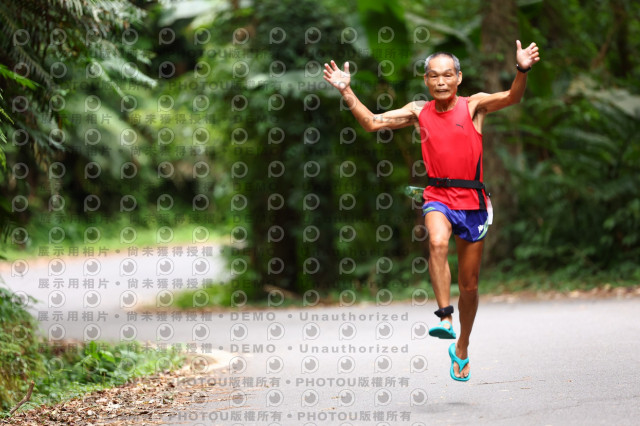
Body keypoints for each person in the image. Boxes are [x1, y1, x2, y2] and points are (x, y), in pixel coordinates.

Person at [324, 40, 540, 381]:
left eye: (447, 75)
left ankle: (462, 346)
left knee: (470, 286)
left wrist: (522, 69)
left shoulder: (474, 106)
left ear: (458, 78)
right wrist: (346, 91)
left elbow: (512, 96)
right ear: (426, 80)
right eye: (434, 76)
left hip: (473, 202)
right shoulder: (418, 111)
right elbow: (372, 123)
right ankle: (444, 317)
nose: (441, 81)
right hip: (438, 195)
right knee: (437, 243)